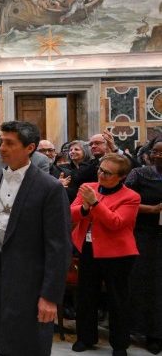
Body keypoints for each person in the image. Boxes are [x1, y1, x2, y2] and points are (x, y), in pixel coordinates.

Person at [0, 121, 71, 356]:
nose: (2, 148)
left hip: (30, 280)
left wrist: (50, 296)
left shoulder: (50, 188)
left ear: (30, 148)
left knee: (28, 343)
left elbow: (58, 246)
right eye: (2, 142)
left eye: (10, 143)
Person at [70, 153, 140, 356]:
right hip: (88, 249)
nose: (101, 175)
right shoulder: (88, 187)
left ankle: (119, 344)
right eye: (100, 170)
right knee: (86, 295)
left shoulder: (131, 197)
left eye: (107, 173)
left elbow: (115, 223)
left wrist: (94, 204)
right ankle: (85, 337)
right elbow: (71, 213)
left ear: (121, 177)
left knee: (117, 299)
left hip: (118, 254)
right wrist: (84, 207)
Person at [126, 140, 162, 354]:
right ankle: (151, 333)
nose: (158, 156)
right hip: (145, 236)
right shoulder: (139, 174)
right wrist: (152, 209)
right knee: (148, 285)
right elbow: (123, 201)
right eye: (155, 152)